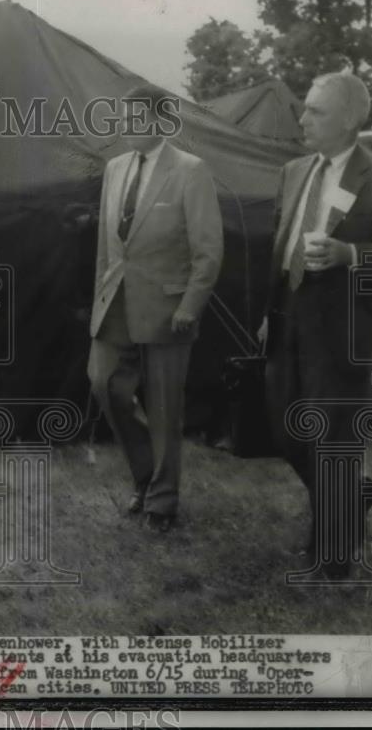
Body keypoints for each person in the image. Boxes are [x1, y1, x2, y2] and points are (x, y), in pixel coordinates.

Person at [257, 71, 372, 579]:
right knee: (286, 428)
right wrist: (269, 311)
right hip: (288, 314)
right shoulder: (294, 170)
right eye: (304, 108)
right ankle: (354, 497)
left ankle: (334, 554)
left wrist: (350, 253)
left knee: (334, 436)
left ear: (351, 119)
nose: (302, 118)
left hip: (344, 323)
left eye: (316, 111)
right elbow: (281, 247)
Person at [88, 83, 223, 533]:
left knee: (165, 406)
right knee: (105, 384)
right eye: (122, 118)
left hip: (170, 309)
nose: (125, 126)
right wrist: (99, 301)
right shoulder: (114, 169)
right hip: (116, 305)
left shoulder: (190, 170)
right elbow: (108, 249)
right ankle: (147, 476)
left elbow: (208, 250)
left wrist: (191, 304)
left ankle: (162, 502)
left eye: (134, 118)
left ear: (160, 122)